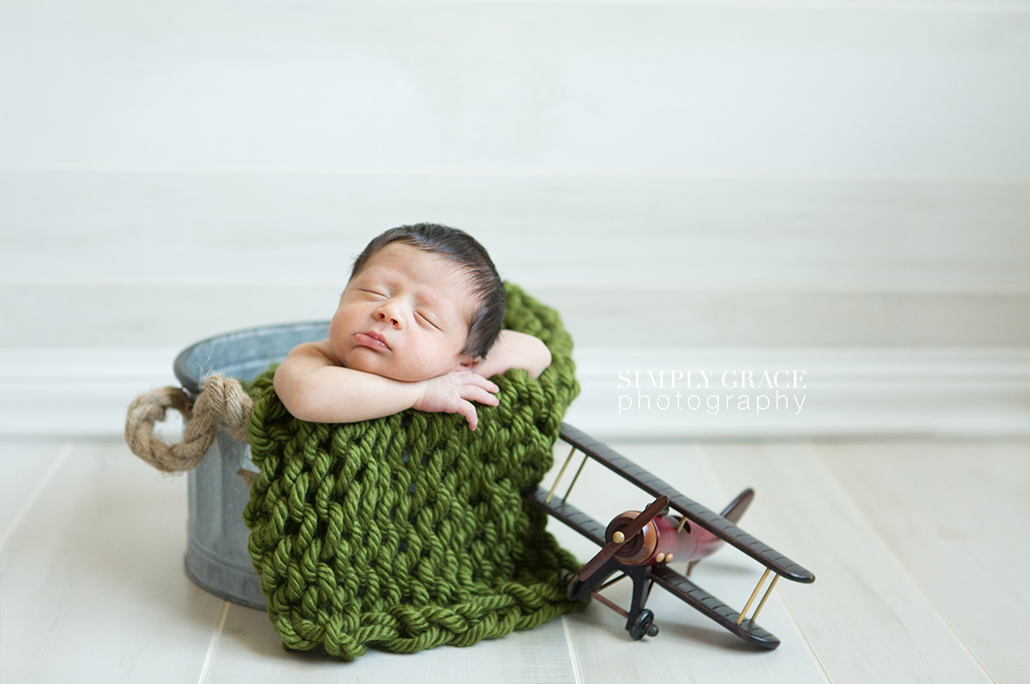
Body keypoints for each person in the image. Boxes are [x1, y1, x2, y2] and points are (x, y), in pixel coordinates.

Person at [273, 224, 552, 430]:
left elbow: (536, 351)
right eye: (374, 292)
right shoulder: (316, 357)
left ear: (462, 362)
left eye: (425, 317)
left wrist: (453, 371)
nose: (390, 310)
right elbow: (305, 396)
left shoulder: (454, 367)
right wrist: (421, 392)